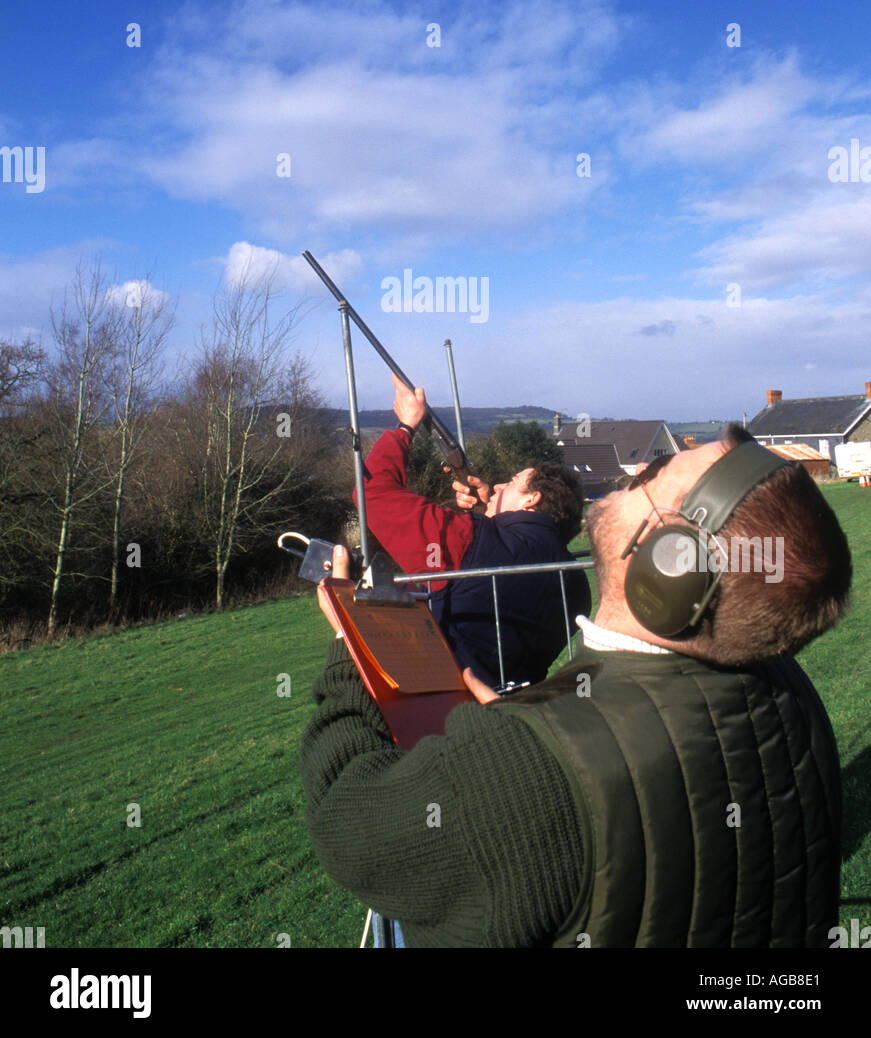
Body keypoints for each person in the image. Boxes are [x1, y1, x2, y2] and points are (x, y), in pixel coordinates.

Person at [300, 425, 851, 948]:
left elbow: (349, 828)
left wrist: (357, 637)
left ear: (671, 567)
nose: (632, 474)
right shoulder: (789, 694)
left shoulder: (534, 773)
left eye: (653, 474)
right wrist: (532, 721)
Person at [355, 375, 590, 687]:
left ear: (532, 500)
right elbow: (509, 581)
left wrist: (406, 426)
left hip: (448, 705)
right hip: (522, 709)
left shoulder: (468, 539)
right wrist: (485, 515)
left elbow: (371, 492)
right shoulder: (577, 587)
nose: (497, 486)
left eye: (513, 482)